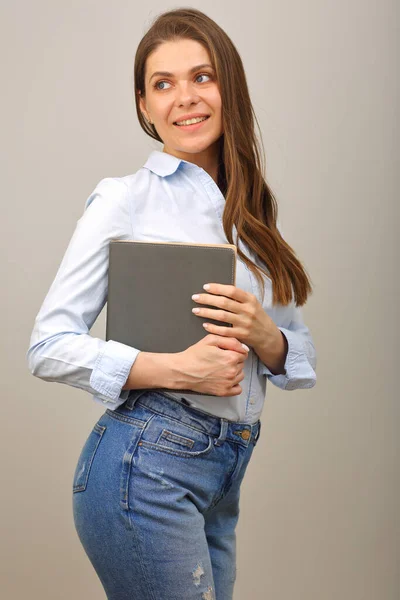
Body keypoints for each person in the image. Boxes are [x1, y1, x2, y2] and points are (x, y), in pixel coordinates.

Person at [26, 7, 317, 600]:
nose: (185, 98)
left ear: (228, 87)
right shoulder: (125, 200)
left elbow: (298, 355)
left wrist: (266, 337)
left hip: (225, 470)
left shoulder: (253, 216)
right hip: (144, 464)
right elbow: (48, 346)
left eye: (202, 77)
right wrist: (178, 368)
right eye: (164, 84)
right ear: (143, 105)